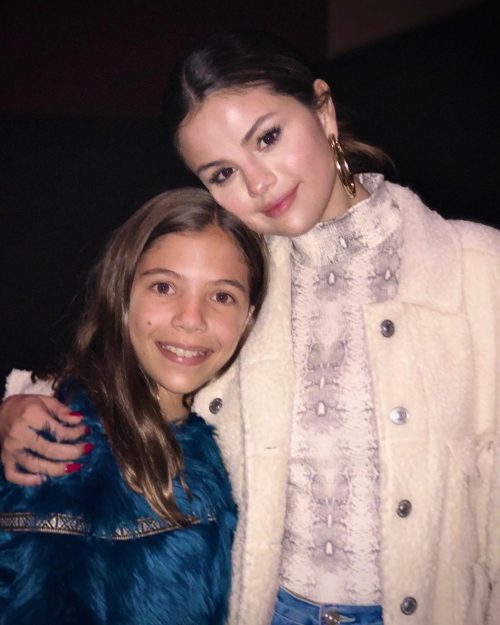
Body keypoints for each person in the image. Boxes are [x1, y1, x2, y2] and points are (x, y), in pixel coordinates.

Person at [1, 31, 499, 625]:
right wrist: (19, 405)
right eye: (222, 173)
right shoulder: (239, 277)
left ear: (322, 109)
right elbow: (139, 358)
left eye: (268, 138)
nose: (258, 184)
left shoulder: (477, 269)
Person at [0, 187, 268, 625]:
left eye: (222, 296)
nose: (191, 318)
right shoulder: (63, 450)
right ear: (122, 294)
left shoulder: (246, 439)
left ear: (250, 317)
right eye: (164, 287)